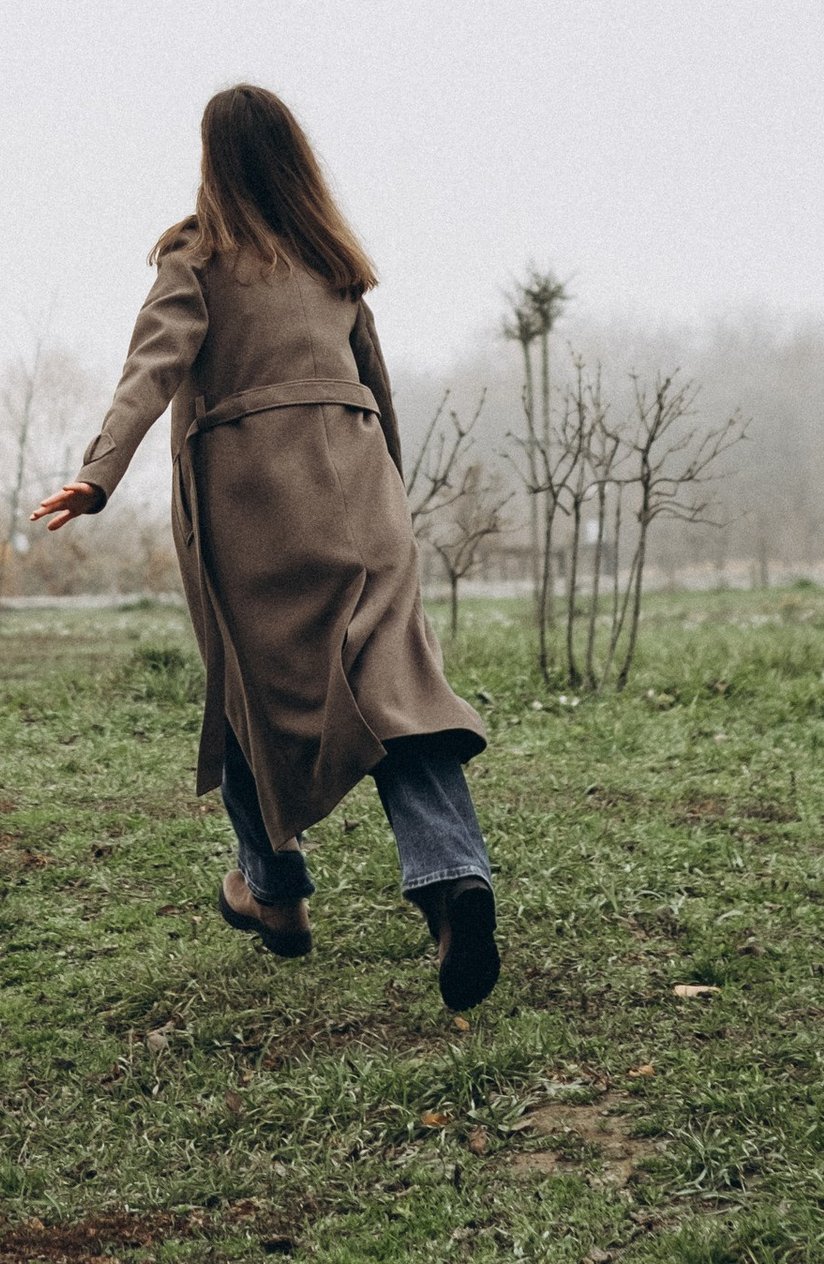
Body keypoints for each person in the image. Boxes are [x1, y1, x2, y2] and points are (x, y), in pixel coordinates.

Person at [32, 85, 499, 1008]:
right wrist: (390, 507)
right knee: (399, 693)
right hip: (364, 500)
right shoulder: (334, 261)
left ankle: (274, 891)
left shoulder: (197, 257)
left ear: (213, 160)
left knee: (251, 690)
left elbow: (152, 370)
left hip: (256, 509)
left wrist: (98, 473)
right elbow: (378, 393)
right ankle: (453, 880)